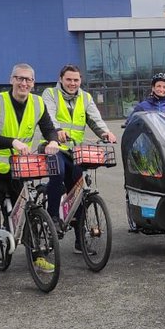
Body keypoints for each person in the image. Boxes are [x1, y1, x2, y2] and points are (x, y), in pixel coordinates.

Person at [0, 64, 61, 288]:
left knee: (28, 213)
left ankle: (37, 256)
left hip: (20, 169)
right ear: (11, 80)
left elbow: (49, 128)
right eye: (19, 78)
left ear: (33, 82)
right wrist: (13, 142)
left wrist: (52, 141)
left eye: (28, 80)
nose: (24, 83)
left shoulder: (38, 103)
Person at [41, 65, 116, 254]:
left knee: (79, 191)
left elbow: (95, 119)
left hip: (75, 151)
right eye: (69, 79)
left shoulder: (85, 97)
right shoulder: (50, 94)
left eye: (76, 80)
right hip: (54, 148)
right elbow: (48, 116)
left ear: (80, 81)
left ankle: (80, 240)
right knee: (58, 173)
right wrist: (57, 131)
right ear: (61, 79)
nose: (72, 83)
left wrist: (105, 132)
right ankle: (52, 218)